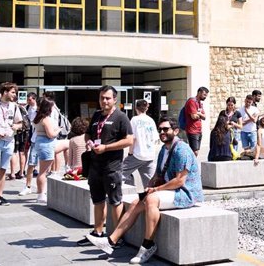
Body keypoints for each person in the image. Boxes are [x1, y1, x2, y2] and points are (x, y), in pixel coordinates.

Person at [87, 116, 204, 263]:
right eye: (160, 129)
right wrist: (150, 185)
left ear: (175, 130)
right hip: (170, 191)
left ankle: (147, 245)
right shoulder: (163, 149)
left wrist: (156, 189)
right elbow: (158, 174)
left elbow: (180, 181)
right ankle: (111, 241)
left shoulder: (182, 150)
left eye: (166, 129)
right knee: (138, 201)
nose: (162, 132)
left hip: (186, 193)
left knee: (151, 199)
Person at [77, 85, 133, 247]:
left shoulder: (121, 117)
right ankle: (98, 232)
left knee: (115, 200)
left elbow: (129, 140)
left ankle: (117, 236)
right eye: (102, 98)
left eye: (108, 98)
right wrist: (88, 141)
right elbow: (89, 133)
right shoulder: (96, 115)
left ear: (115, 99)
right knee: (98, 200)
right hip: (95, 165)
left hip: (112, 166)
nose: (104, 101)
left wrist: (106, 148)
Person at [121, 99, 157, 188]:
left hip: (138, 154)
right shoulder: (151, 120)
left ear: (136, 108)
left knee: (119, 173)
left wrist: (130, 153)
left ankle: (130, 188)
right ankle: (149, 198)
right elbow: (155, 138)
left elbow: (133, 138)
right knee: (149, 183)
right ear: (146, 108)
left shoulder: (134, 119)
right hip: (150, 155)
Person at [32, 98, 59, 203]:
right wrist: (58, 130)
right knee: (43, 172)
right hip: (46, 144)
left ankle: (41, 193)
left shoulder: (38, 117)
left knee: (42, 170)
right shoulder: (46, 119)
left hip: (39, 142)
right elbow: (51, 134)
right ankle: (41, 194)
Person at [183, 87, 208, 157]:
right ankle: (190, 166)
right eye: (204, 95)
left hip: (199, 130)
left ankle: (190, 166)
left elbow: (205, 117)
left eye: (206, 95)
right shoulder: (192, 101)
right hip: (192, 130)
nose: (205, 97)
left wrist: (199, 114)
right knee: (195, 152)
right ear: (199, 93)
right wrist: (200, 114)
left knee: (195, 151)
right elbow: (193, 116)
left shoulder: (200, 103)